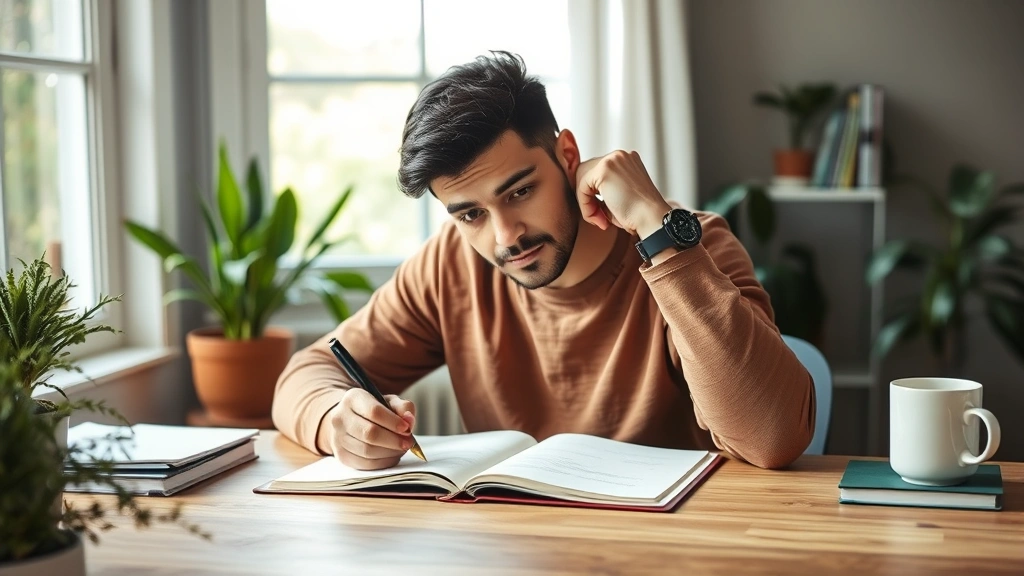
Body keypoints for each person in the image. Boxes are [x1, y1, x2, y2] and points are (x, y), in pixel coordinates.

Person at [272, 51, 815, 471]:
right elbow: (308, 372)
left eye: (518, 192)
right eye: (470, 215)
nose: (506, 236)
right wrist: (334, 420)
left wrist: (656, 228)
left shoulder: (691, 247)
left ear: (569, 157)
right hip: (521, 548)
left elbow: (774, 439)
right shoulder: (449, 265)